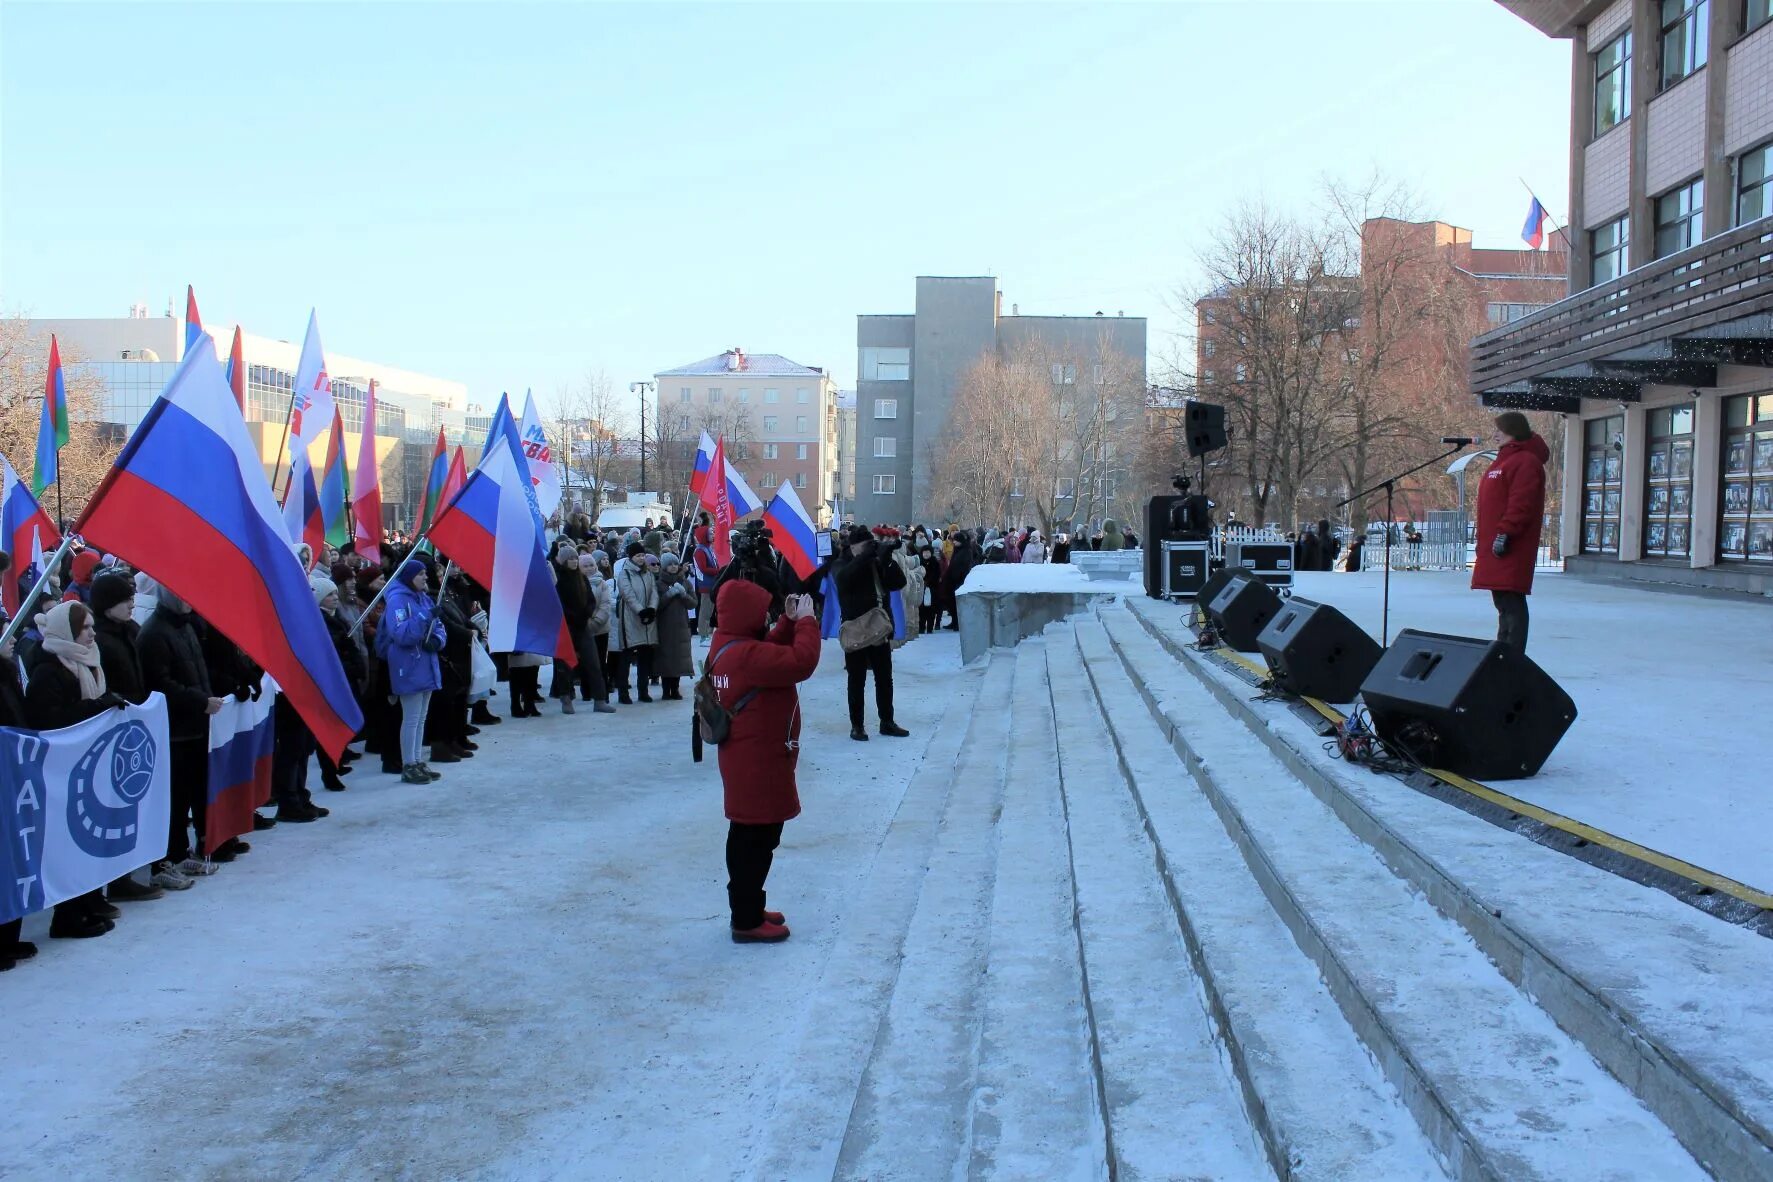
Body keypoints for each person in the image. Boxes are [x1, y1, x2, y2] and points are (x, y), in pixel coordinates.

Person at [709, 580, 821, 943]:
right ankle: (746, 920)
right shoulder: (746, 656)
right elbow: (801, 661)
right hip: (757, 762)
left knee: (748, 835)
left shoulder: (727, 643)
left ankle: (749, 908)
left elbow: (765, 651)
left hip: (745, 759)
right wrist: (806, 622)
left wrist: (787, 623)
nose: (766, 619)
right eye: (762, 614)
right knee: (756, 841)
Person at [25, 602, 131, 938]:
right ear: (67, 631)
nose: (92, 634)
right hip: (59, 773)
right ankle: (67, 916)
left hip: (86, 767)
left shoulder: (88, 661)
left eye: (91, 626)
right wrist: (96, 707)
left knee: (87, 841)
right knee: (67, 843)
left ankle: (88, 902)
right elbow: (49, 721)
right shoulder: (47, 670)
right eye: (85, 628)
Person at [90, 572, 175, 899]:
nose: (131, 603)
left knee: (134, 801)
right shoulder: (101, 640)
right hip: (115, 730)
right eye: (123, 599)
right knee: (116, 806)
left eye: (130, 597)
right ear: (106, 604)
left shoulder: (130, 630)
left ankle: (130, 869)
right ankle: (118, 878)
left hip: (137, 727)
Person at [138, 586, 226, 873]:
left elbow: (197, 670)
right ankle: (175, 852)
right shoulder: (154, 633)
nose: (188, 600)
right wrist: (201, 701)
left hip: (196, 724)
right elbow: (161, 684)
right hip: (176, 729)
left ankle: (199, 843)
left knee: (197, 789)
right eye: (182, 596)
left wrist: (206, 699)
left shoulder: (185, 626)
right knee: (177, 797)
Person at [1471, 411, 1549, 653]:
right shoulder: (1503, 460)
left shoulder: (1525, 461)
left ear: (1513, 431)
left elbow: (1521, 502)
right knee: (1502, 601)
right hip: (1494, 542)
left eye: (1500, 430)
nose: (1495, 434)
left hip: (1510, 544)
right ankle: (1503, 648)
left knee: (1511, 600)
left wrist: (1506, 532)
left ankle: (1512, 653)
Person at [833, 525, 909, 742]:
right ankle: (857, 726)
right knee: (856, 680)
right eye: (865, 545)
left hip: (878, 629)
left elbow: (899, 582)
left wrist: (886, 559)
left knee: (884, 678)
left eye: (870, 545)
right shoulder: (842, 563)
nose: (869, 548)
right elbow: (843, 579)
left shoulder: (875, 562)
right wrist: (866, 556)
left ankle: (887, 721)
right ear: (853, 546)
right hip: (855, 629)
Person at [383, 556, 447, 783]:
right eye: (421, 574)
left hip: (426, 662)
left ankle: (418, 760)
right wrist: (424, 617)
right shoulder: (397, 600)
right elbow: (401, 634)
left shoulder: (423, 598)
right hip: (407, 664)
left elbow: (439, 627)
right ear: (410, 577)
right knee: (411, 718)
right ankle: (408, 764)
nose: (425, 577)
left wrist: (438, 640)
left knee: (421, 717)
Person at [610, 541, 659, 703]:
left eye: (643, 555)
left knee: (645, 657)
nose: (641, 558)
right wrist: (640, 610)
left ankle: (643, 691)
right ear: (631, 557)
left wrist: (651, 609)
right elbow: (628, 594)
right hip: (631, 619)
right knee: (626, 657)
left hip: (647, 620)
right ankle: (623, 692)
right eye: (638, 555)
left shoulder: (648, 573)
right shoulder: (625, 574)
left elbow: (654, 593)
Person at [654, 551, 695, 699]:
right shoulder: (658, 584)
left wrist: (684, 594)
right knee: (666, 659)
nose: (673, 566)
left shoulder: (685, 582)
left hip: (681, 626)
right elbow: (656, 605)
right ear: (664, 567)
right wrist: (668, 595)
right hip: (664, 627)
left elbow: (693, 603)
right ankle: (666, 690)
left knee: (679, 659)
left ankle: (675, 689)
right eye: (669, 564)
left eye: (675, 564)